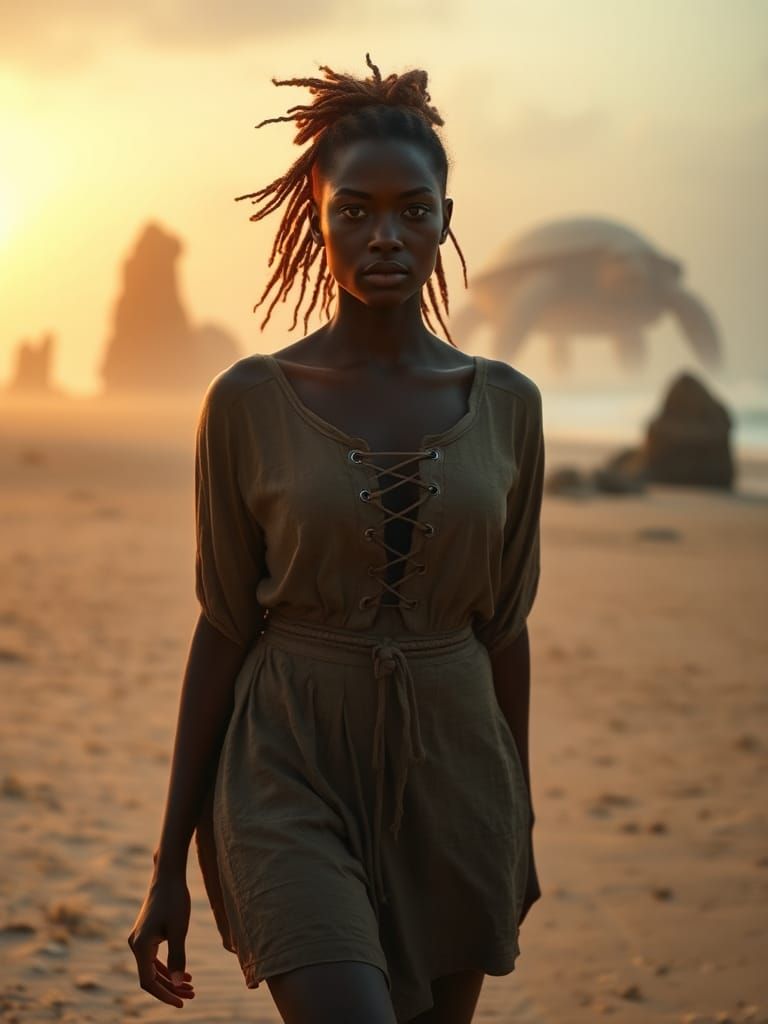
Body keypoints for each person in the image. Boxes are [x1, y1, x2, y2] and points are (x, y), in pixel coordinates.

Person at [128, 54, 544, 1024]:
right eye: (354, 210)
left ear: (448, 216)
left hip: (457, 776)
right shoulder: (245, 403)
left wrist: (516, 820)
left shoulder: (510, 408)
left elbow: (506, 629)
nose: (385, 235)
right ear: (315, 215)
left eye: (412, 209)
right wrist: (167, 865)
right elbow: (224, 624)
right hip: (286, 768)